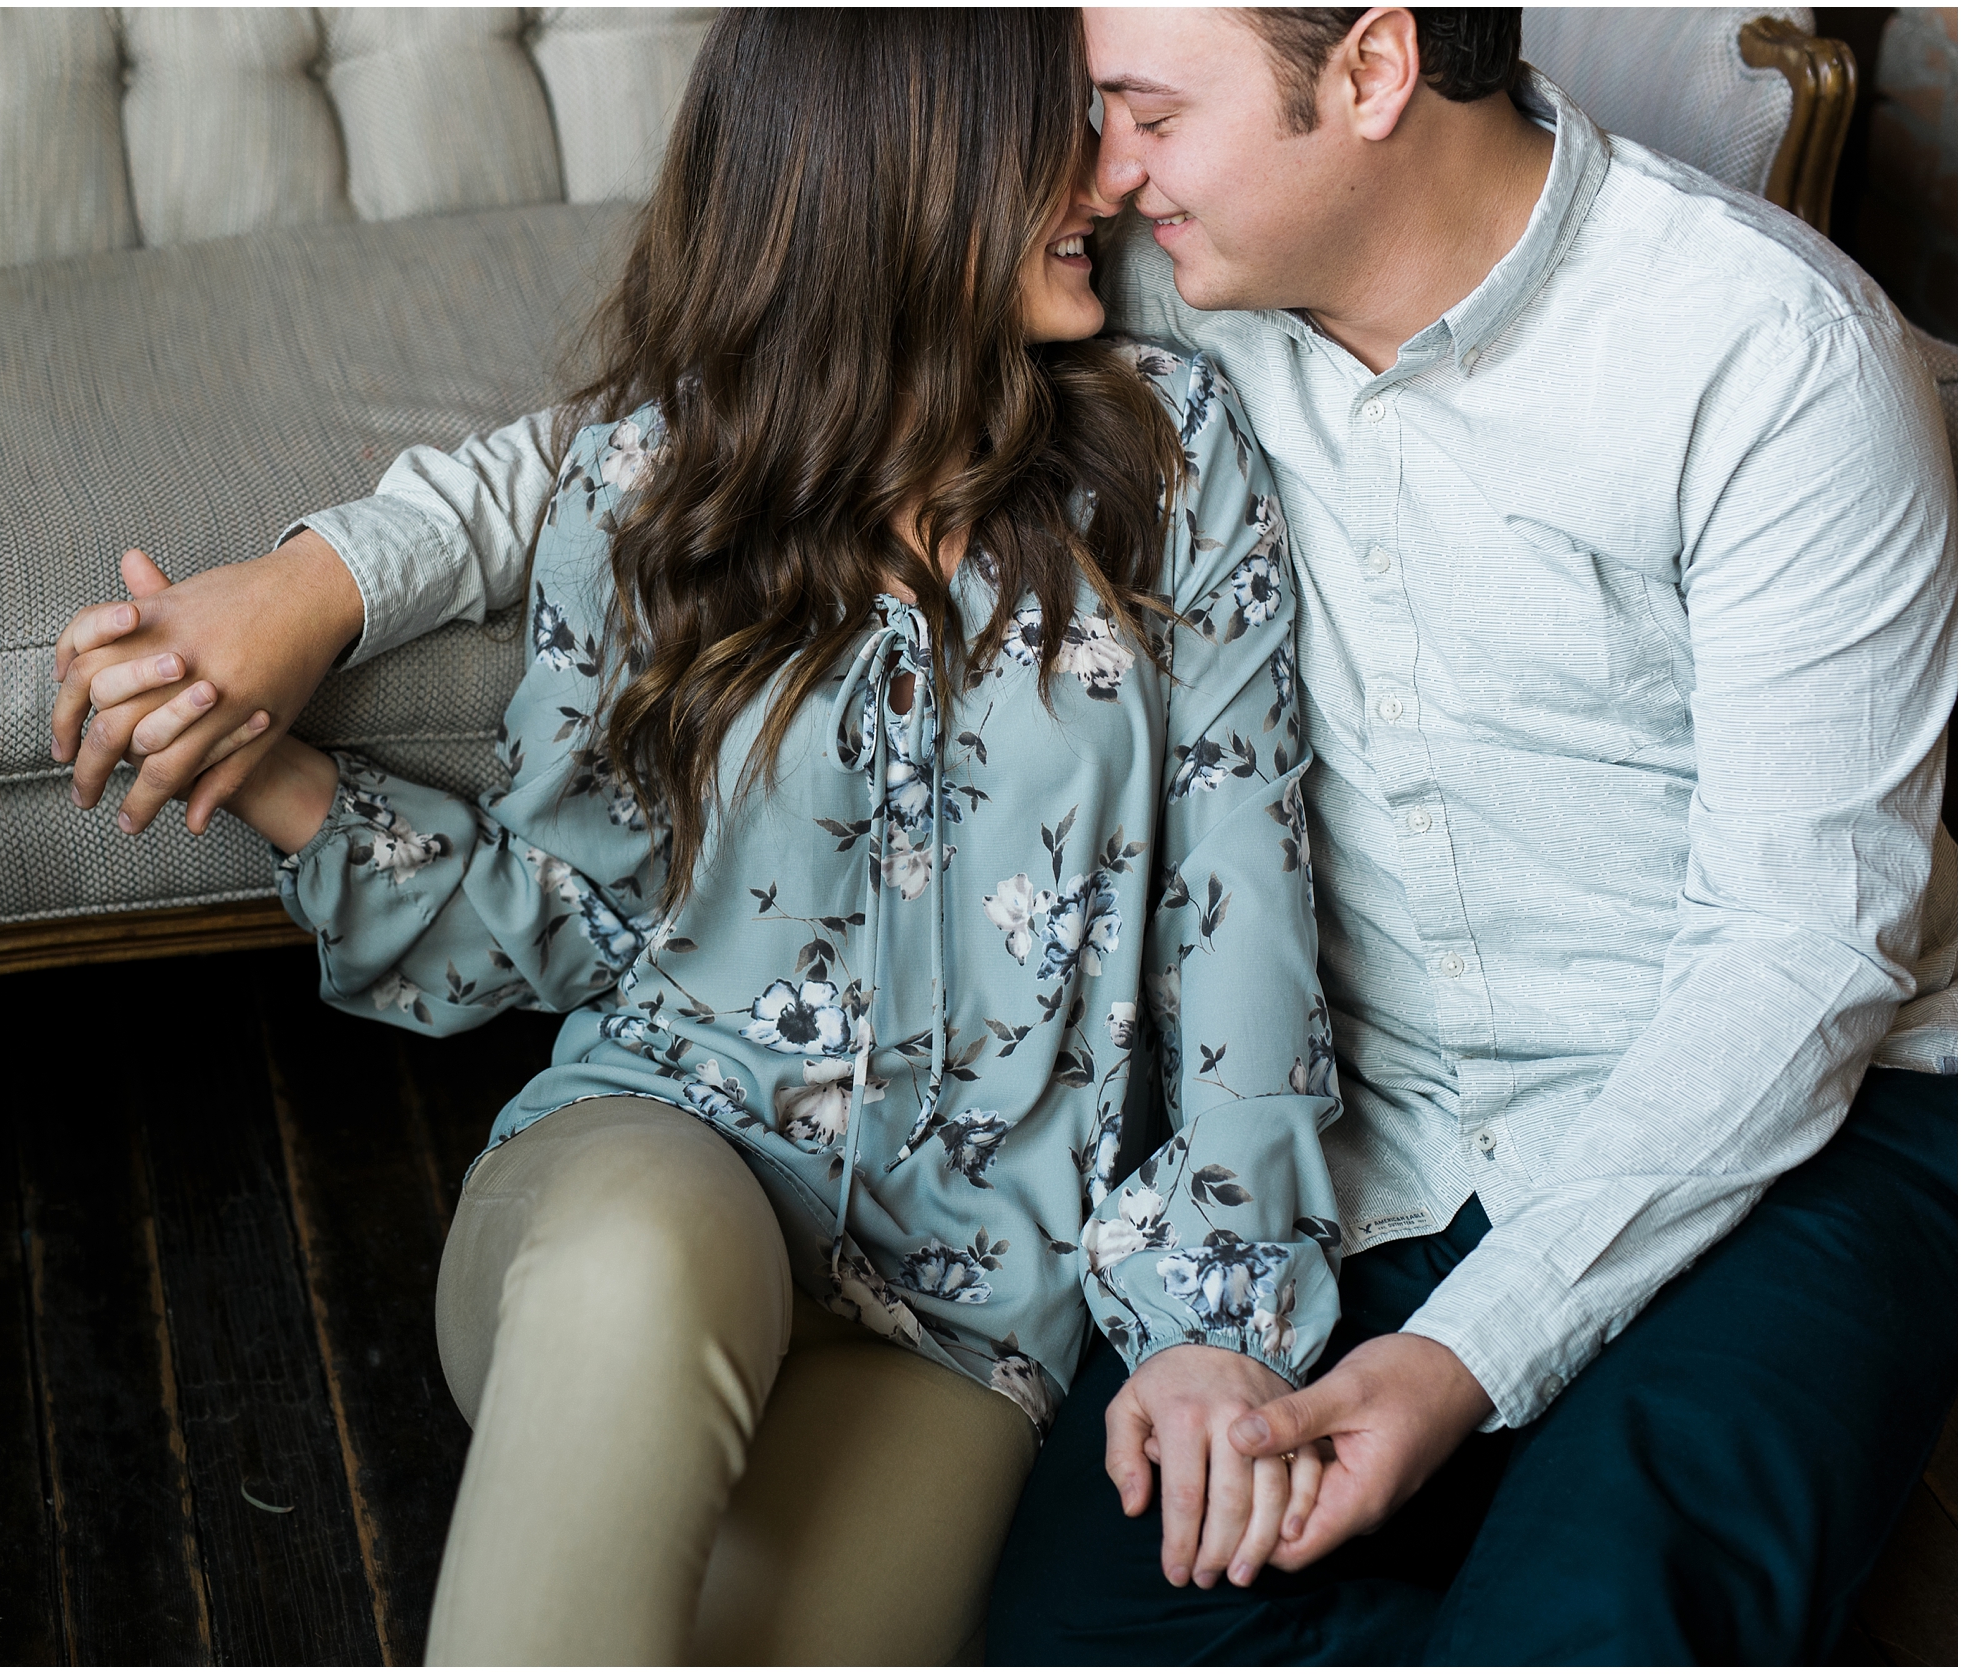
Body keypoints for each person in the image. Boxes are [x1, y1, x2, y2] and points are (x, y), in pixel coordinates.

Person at [52, 6, 1958, 1662]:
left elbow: (1778, 963)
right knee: (967, 1542)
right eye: (1085, 116)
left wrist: (1390, 1351)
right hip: (1175, 1143)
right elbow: (700, 411)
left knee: (1561, 1620)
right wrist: (314, 585)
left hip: (1743, 1126)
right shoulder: (1175, 266)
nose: (1112, 173)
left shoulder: (1748, 367)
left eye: (1140, 108)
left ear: (1369, 72)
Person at [69, 11, 1350, 1662]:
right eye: (1066, 123)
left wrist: (1217, 1326)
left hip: (962, 1322)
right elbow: (565, 914)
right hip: (648, 1161)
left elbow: (1247, 920)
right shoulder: (649, 482)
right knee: (632, 1273)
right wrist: (267, 773)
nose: (1114, 167)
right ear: (911, 159)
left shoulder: (1173, 459)